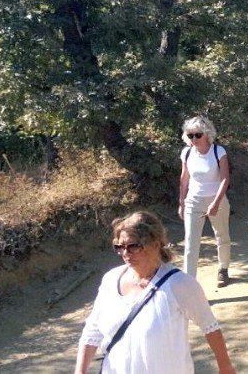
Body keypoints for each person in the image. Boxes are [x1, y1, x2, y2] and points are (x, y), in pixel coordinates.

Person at [74, 211, 235, 374]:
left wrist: (225, 367)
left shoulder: (179, 284)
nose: (125, 253)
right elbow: (92, 332)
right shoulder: (110, 280)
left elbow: (210, 327)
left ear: (156, 244)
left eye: (133, 246)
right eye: (119, 247)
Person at [178, 115, 232, 287]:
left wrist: (215, 203)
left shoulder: (218, 151)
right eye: (190, 135)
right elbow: (184, 178)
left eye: (198, 135)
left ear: (207, 134)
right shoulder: (186, 153)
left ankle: (223, 269)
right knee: (191, 243)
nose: (194, 139)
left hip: (217, 199)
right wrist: (181, 202)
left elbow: (225, 179)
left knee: (221, 236)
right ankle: (189, 284)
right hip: (193, 200)